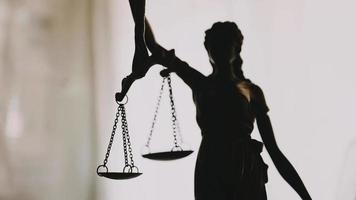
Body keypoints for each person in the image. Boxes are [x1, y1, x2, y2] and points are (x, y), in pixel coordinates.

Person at [119, 0, 312, 199]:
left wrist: (305, 196)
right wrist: (138, 26)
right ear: (207, 50)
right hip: (211, 170)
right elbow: (153, 46)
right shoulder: (200, 84)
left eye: (225, 44)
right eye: (214, 45)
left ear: (236, 49)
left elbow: (274, 152)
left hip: (245, 170)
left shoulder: (251, 91)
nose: (219, 49)